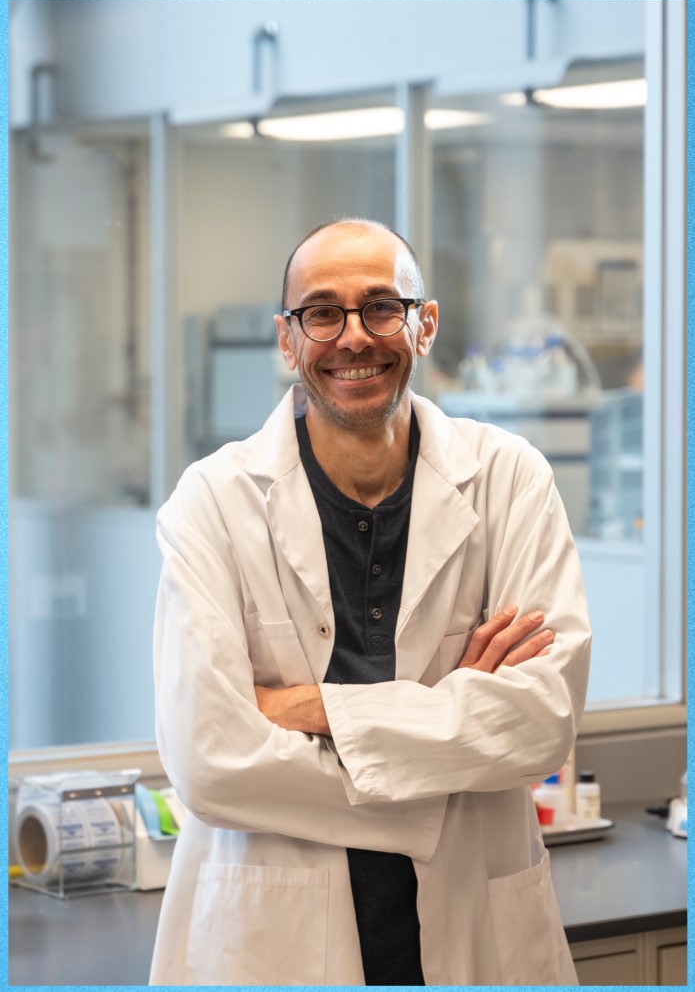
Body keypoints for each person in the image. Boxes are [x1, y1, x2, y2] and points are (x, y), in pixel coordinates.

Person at [149, 218, 591, 986]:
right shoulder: (212, 502)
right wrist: (446, 738)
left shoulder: (509, 479)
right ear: (287, 340)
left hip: (472, 923)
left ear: (425, 325)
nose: (354, 336)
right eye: (322, 312)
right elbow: (209, 763)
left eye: (382, 307)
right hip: (271, 941)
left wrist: (310, 708)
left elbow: (539, 722)